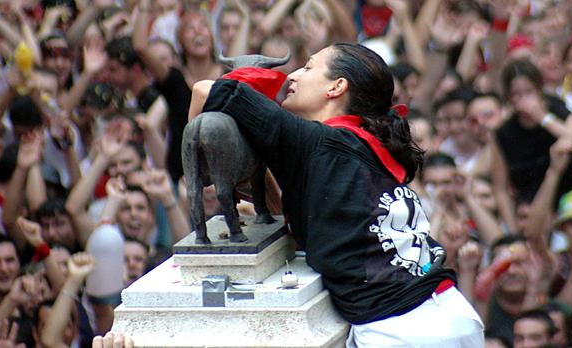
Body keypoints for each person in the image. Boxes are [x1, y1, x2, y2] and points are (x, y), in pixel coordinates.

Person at [190, 43, 483, 347]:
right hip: (450, 311)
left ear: (336, 87)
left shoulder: (317, 142)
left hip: (403, 330)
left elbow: (204, 90)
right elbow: (315, 216)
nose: (292, 75)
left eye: (308, 67)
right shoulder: (365, 143)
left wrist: (196, 172)